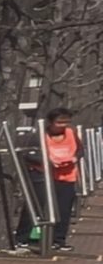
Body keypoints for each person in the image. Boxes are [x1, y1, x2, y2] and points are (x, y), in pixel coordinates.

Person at [15, 108, 83, 252]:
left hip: (66, 176)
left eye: (66, 122)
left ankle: (58, 240)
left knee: (63, 209)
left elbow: (80, 150)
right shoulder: (39, 136)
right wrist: (47, 162)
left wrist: (74, 158)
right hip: (42, 175)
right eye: (59, 122)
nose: (63, 125)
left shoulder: (71, 133)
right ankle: (22, 238)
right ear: (51, 122)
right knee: (36, 205)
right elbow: (29, 154)